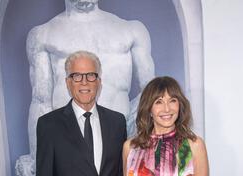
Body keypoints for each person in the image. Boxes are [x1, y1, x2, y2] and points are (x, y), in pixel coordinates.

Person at [27, 0, 155, 158]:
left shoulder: (131, 30)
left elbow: (152, 92)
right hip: (70, 142)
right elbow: (41, 101)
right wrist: (38, 158)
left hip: (121, 139)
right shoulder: (43, 34)